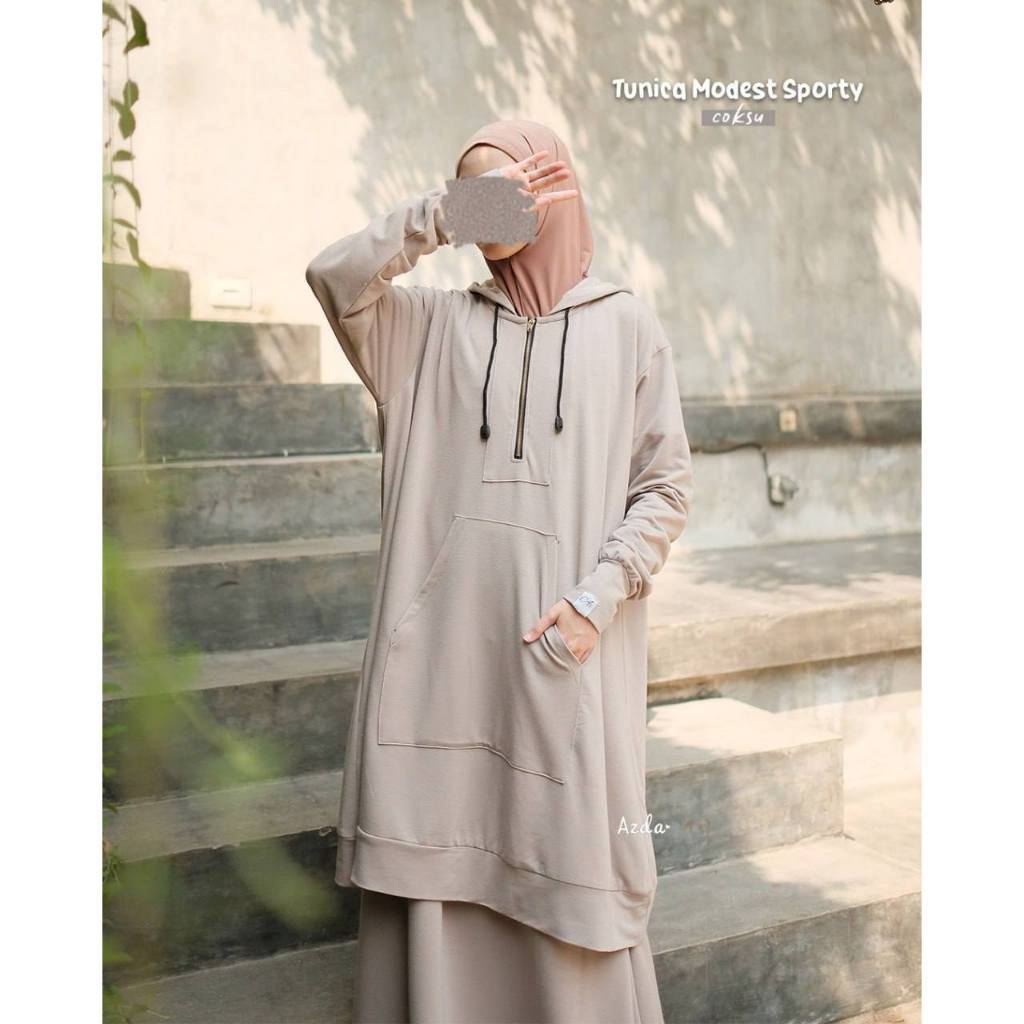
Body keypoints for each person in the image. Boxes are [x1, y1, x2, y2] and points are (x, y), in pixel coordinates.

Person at [305, 118, 694, 1024]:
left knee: (565, 867)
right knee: (436, 857)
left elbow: (666, 486)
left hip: (557, 655)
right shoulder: (425, 327)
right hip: (439, 666)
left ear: (557, 190)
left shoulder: (626, 325)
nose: (495, 210)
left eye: (510, 188)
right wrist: (443, 215)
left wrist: (599, 597)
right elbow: (333, 277)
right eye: (478, 193)